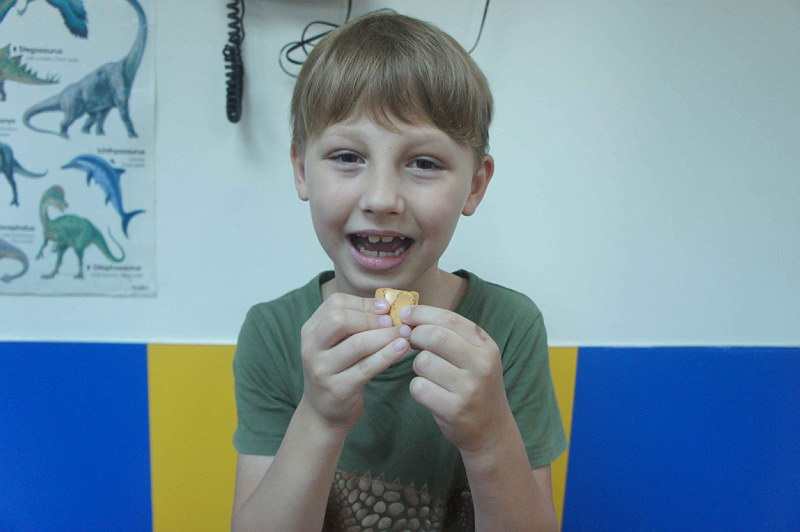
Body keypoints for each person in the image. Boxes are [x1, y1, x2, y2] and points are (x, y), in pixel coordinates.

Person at [231, 11, 566, 532]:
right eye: (347, 156)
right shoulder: (274, 332)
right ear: (301, 170)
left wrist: (489, 436)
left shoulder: (507, 329)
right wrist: (318, 416)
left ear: (475, 185)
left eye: (424, 163)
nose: (382, 198)